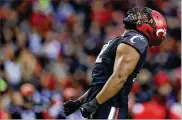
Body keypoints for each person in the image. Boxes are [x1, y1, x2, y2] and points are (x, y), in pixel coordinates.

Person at [63, 7, 167, 119]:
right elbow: (101, 82)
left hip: (110, 105)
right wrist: (79, 102)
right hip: (103, 103)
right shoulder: (123, 40)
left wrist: (95, 103)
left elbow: (119, 77)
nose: (139, 15)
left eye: (146, 18)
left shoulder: (136, 39)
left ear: (152, 29)